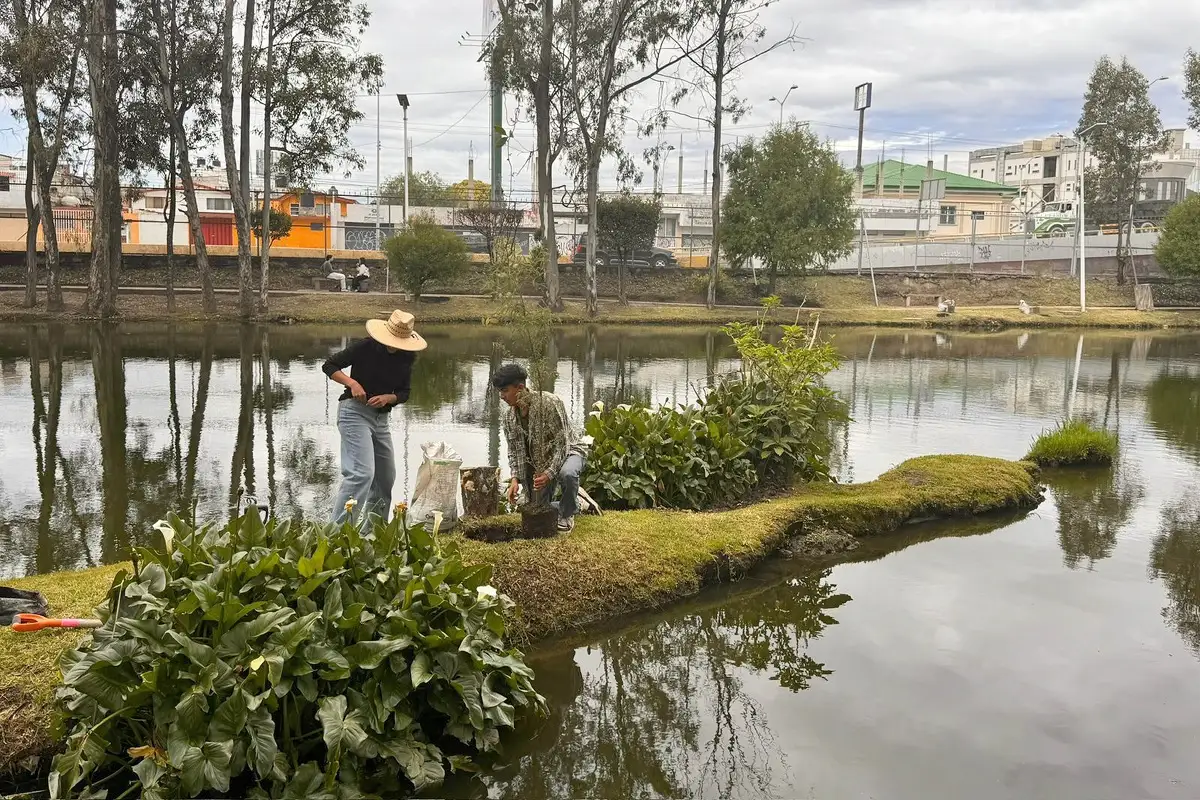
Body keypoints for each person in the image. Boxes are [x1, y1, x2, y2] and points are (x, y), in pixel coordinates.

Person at [323, 310, 426, 524]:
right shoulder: (365, 347)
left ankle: (373, 534)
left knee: (385, 478)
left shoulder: (407, 357)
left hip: (381, 420)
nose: (397, 345)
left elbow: (404, 393)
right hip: (354, 413)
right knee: (361, 474)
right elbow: (329, 365)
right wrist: (352, 383)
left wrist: (389, 398)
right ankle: (336, 535)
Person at [492, 363, 588, 532]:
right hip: (539, 461)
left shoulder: (549, 403)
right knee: (534, 508)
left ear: (520, 387)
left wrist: (548, 474)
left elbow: (562, 444)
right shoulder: (508, 417)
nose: (502, 396)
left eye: (505, 390)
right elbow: (514, 451)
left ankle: (567, 513)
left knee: (568, 474)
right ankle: (577, 502)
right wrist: (515, 479)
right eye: (500, 391)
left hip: (570, 450)